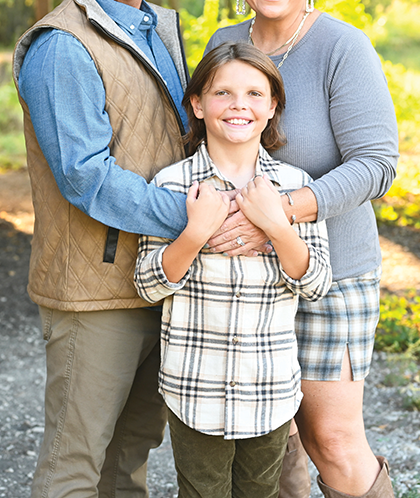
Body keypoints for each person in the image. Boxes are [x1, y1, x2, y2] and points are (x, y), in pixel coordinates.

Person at [204, 0, 400, 498]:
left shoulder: (343, 47)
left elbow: (376, 164)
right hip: (243, 278)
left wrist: (278, 214)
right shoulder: (222, 45)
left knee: (331, 442)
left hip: (332, 270)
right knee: (270, 441)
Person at [12, 0, 192, 498]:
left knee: (129, 460)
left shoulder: (157, 31)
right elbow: (85, 176)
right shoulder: (63, 46)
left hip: (155, 281)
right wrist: (192, 220)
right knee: (74, 466)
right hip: (93, 293)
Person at [134, 42, 332, 498]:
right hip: (194, 388)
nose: (239, 105)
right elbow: (146, 284)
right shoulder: (170, 185)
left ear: (272, 106)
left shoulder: (296, 187)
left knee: (260, 492)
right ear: (198, 105)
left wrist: (278, 228)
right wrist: (193, 234)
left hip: (270, 389)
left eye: (254, 94)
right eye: (223, 93)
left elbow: (317, 282)